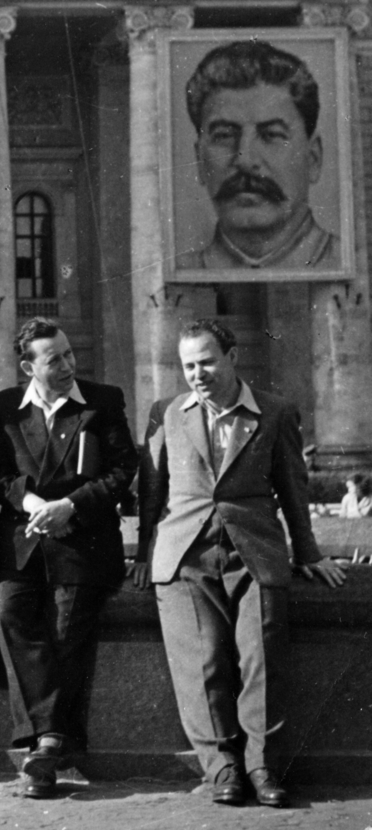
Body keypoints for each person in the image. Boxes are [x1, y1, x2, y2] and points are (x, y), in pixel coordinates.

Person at [134, 319, 347, 809]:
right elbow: (151, 491)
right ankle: (223, 768)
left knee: (262, 657)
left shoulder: (274, 412)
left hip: (255, 550)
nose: (197, 374)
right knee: (203, 662)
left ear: (232, 356)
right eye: (188, 365)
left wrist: (309, 553)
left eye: (206, 361)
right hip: (184, 555)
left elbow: (294, 487)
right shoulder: (166, 412)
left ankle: (263, 766)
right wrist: (147, 554)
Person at [0, 319, 138, 799]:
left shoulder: (103, 400)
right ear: (28, 366)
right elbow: (1, 475)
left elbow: (121, 471)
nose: (69, 365)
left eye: (70, 354)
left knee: (66, 629)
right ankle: (52, 736)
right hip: (27, 538)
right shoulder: (4, 407)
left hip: (83, 540)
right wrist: (32, 504)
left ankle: (43, 745)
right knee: (8, 609)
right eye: (55, 360)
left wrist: (70, 506)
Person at [176, 39, 341, 272]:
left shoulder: (352, 262)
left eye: (271, 135)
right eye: (224, 135)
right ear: (200, 162)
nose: (245, 160)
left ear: (313, 158)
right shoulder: (179, 270)